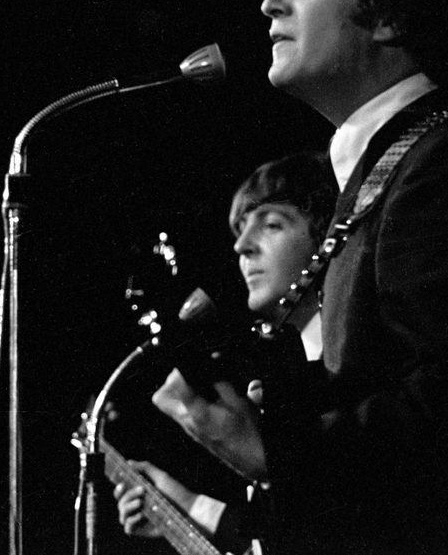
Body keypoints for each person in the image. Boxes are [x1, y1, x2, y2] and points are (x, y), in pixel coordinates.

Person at [151, 0, 448, 554]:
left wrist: (278, 451)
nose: (271, 3)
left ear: (384, 11)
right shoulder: (387, 168)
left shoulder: (442, 163)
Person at [113, 152, 338, 553]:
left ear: (328, 238)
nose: (241, 246)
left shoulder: (352, 374)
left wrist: (264, 459)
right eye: (239, 229)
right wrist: (183, 505)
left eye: (271, 224)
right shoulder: (288, 373)